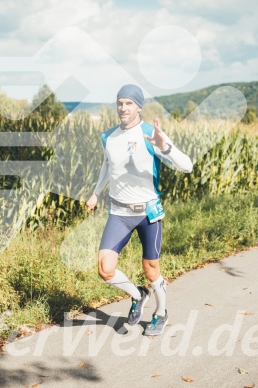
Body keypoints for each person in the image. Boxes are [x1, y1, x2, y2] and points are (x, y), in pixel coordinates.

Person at [85, 84, 193, 336]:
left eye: (129, 103)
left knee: (150, 269)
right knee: (105, 269)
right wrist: (95, 192)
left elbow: (187, 166)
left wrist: (164, 146)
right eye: (120, 102)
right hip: (119, 212)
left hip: (147, 213)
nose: (123, 107)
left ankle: (161, 313)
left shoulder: (150, 134)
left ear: (139, 106)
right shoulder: (108, 137)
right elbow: (106, 165)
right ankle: (138, 295)